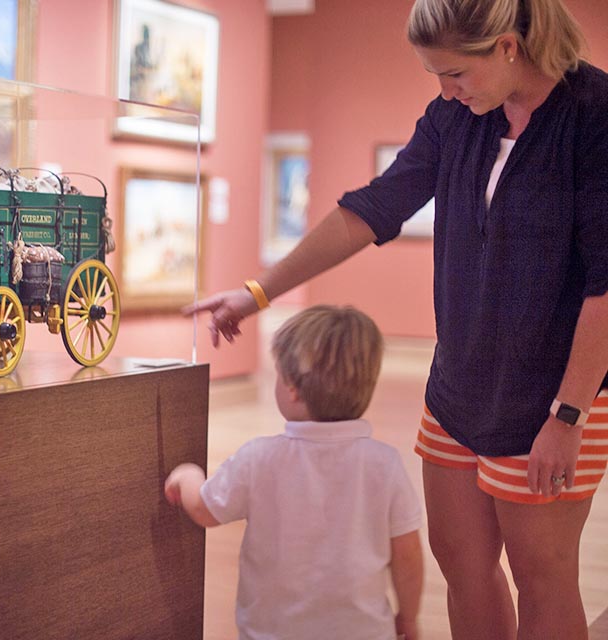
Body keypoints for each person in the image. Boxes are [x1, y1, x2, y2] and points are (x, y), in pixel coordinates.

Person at [185, 1, 608, 639]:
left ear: (508, 47)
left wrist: (568, 415)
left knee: (543, 577)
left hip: (556, 399)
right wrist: (258, 291)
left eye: (456, 75)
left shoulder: (593, 117)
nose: (445, 92)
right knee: (464, 567)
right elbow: (371, 210)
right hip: (458, 389)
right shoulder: (454, 118)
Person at [166, 305, 424, 639]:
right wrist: (409, 617)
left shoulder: (259, 457)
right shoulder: (384, 464)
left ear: (292, 388)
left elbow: (204, 509)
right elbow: (408, 555)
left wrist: (187, 476)